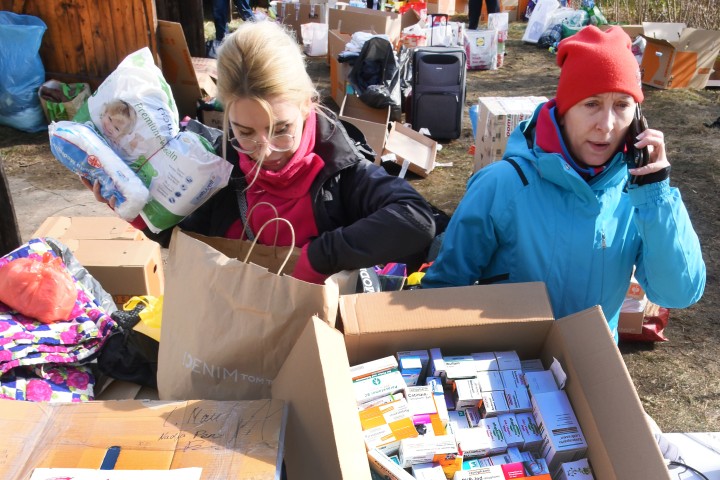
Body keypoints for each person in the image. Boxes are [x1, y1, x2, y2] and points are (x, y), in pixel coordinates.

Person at [87, 21, 436, 284]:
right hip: (236, 333)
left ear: (306, 106)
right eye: (245, 132)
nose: (265, 151)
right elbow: (190, 241)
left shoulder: (341, 172)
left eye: (281, 130)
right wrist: (139, 211)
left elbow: (416, 221)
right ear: (227, 117)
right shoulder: (214, 165)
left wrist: (318, 258)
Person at [421, 25, 706, 342]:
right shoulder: (502, 185)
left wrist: (656, 196)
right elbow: (443, 292)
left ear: (638, 118)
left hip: (593, 363)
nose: (606, 125)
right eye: (592, 104)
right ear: (564, 110)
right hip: (508, 366)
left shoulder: (638, 196)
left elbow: (678, 293)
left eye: (622, 105)